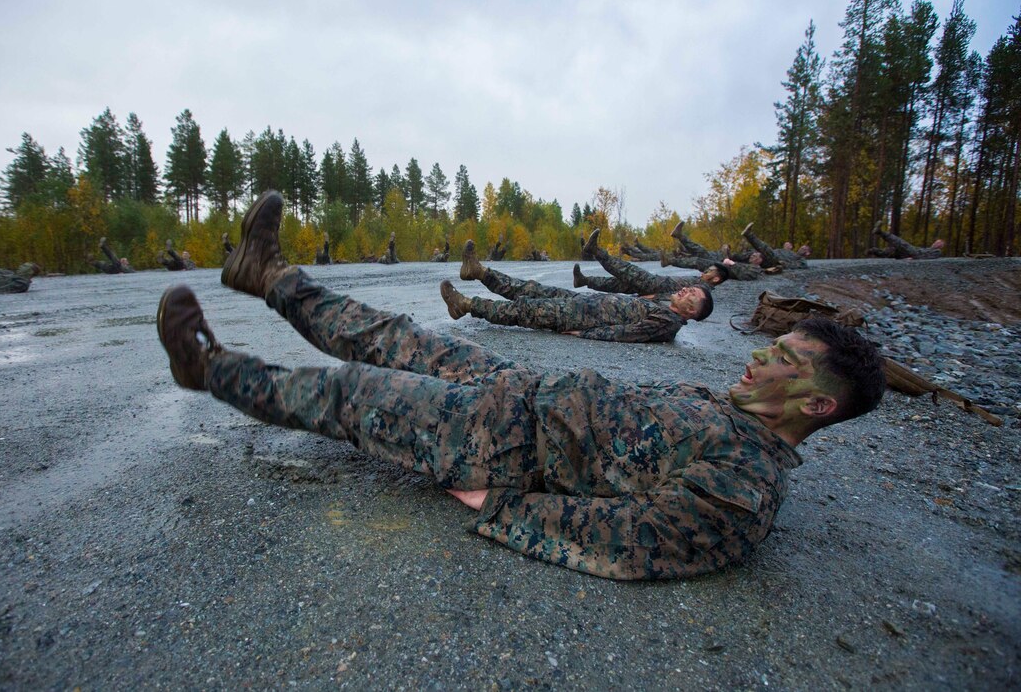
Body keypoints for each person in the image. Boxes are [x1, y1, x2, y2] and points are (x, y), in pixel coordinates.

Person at [159, 190, 887, 580]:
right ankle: (267, 275)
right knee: (387, 334)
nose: (760, 360)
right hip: (516, 387)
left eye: (784, 362)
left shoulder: (744, 488)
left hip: (500, 442)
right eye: (774, 348)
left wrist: (504, 503)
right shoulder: (728, 410)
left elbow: (632, 540)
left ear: (817, 405)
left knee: (352, 393)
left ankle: (207, 365)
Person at [439, 240, 712, 343]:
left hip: (580, 318)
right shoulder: (666, 302)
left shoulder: (669, 323)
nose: (687, 290)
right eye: (690, 289)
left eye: (693, 295)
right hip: (582, 302)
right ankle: (479, 272)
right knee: (531, 289)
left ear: (694, 312)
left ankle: (464, 304)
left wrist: (586, 333)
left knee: (523, 309)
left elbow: (629, 333)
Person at [573, 228, 728, 295]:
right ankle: (584, 280)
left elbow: (683, 297)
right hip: (655, 284)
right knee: (619, 284)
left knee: (626, 270)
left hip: (655, 286)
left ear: (716, 278)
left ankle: (595, 251)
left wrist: (656, 297)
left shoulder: (703, 290)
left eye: (709, 271)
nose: (705, 271)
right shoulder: (702, 284)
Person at [741, 223, 807, 270]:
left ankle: (748, 234)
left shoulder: (801, 260)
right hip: (769, 255)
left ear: (808, 253)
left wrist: (784, 264)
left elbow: (799, 266)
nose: (801, 248)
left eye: (804, 249)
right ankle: (731, 258)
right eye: (801, 247)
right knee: (749, 254)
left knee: (766, 249)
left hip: (774, 260)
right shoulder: (790, 252)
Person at [867, 223, 944, 259]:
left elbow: (925, 256)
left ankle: (880, 232)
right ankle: (874, 251)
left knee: (901, 243)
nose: (935, 244)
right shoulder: (930, 249)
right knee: (893, 252)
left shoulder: (937, 252)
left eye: (938, 243)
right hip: (914, 253)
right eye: (935, 242)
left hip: (915, 253)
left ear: (940, 246)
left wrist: (914, 258)